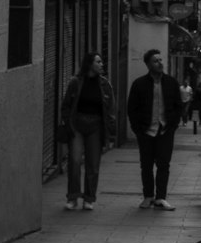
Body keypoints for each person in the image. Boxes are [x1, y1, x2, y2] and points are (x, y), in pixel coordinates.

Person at [126, 49, 183, 210]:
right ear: (148, 64)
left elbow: (178, 106)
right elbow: (132, 108)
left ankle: (161, 197)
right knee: (146, 165)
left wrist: (173, 125)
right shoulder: (139, 84)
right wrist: (138, 129)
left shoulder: (171, 83)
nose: (160, 63)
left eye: (161, 60)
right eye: (155, 61)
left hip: (165, 130)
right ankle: (148, 196)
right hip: (146, 131)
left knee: (164, 164)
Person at [60, 53, 116, 211]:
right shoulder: (75, 82)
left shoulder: (105, 85)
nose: (102, 64)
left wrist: (111, 132)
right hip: (77, 124)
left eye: (101, 61)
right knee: (75, 161)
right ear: (90, 64)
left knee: (93, 164)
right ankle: (73, 197)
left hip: (96, 126)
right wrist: (67, 122)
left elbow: (110, 109)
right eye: (98, 62)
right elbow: (66, 105)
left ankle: (89, 198)